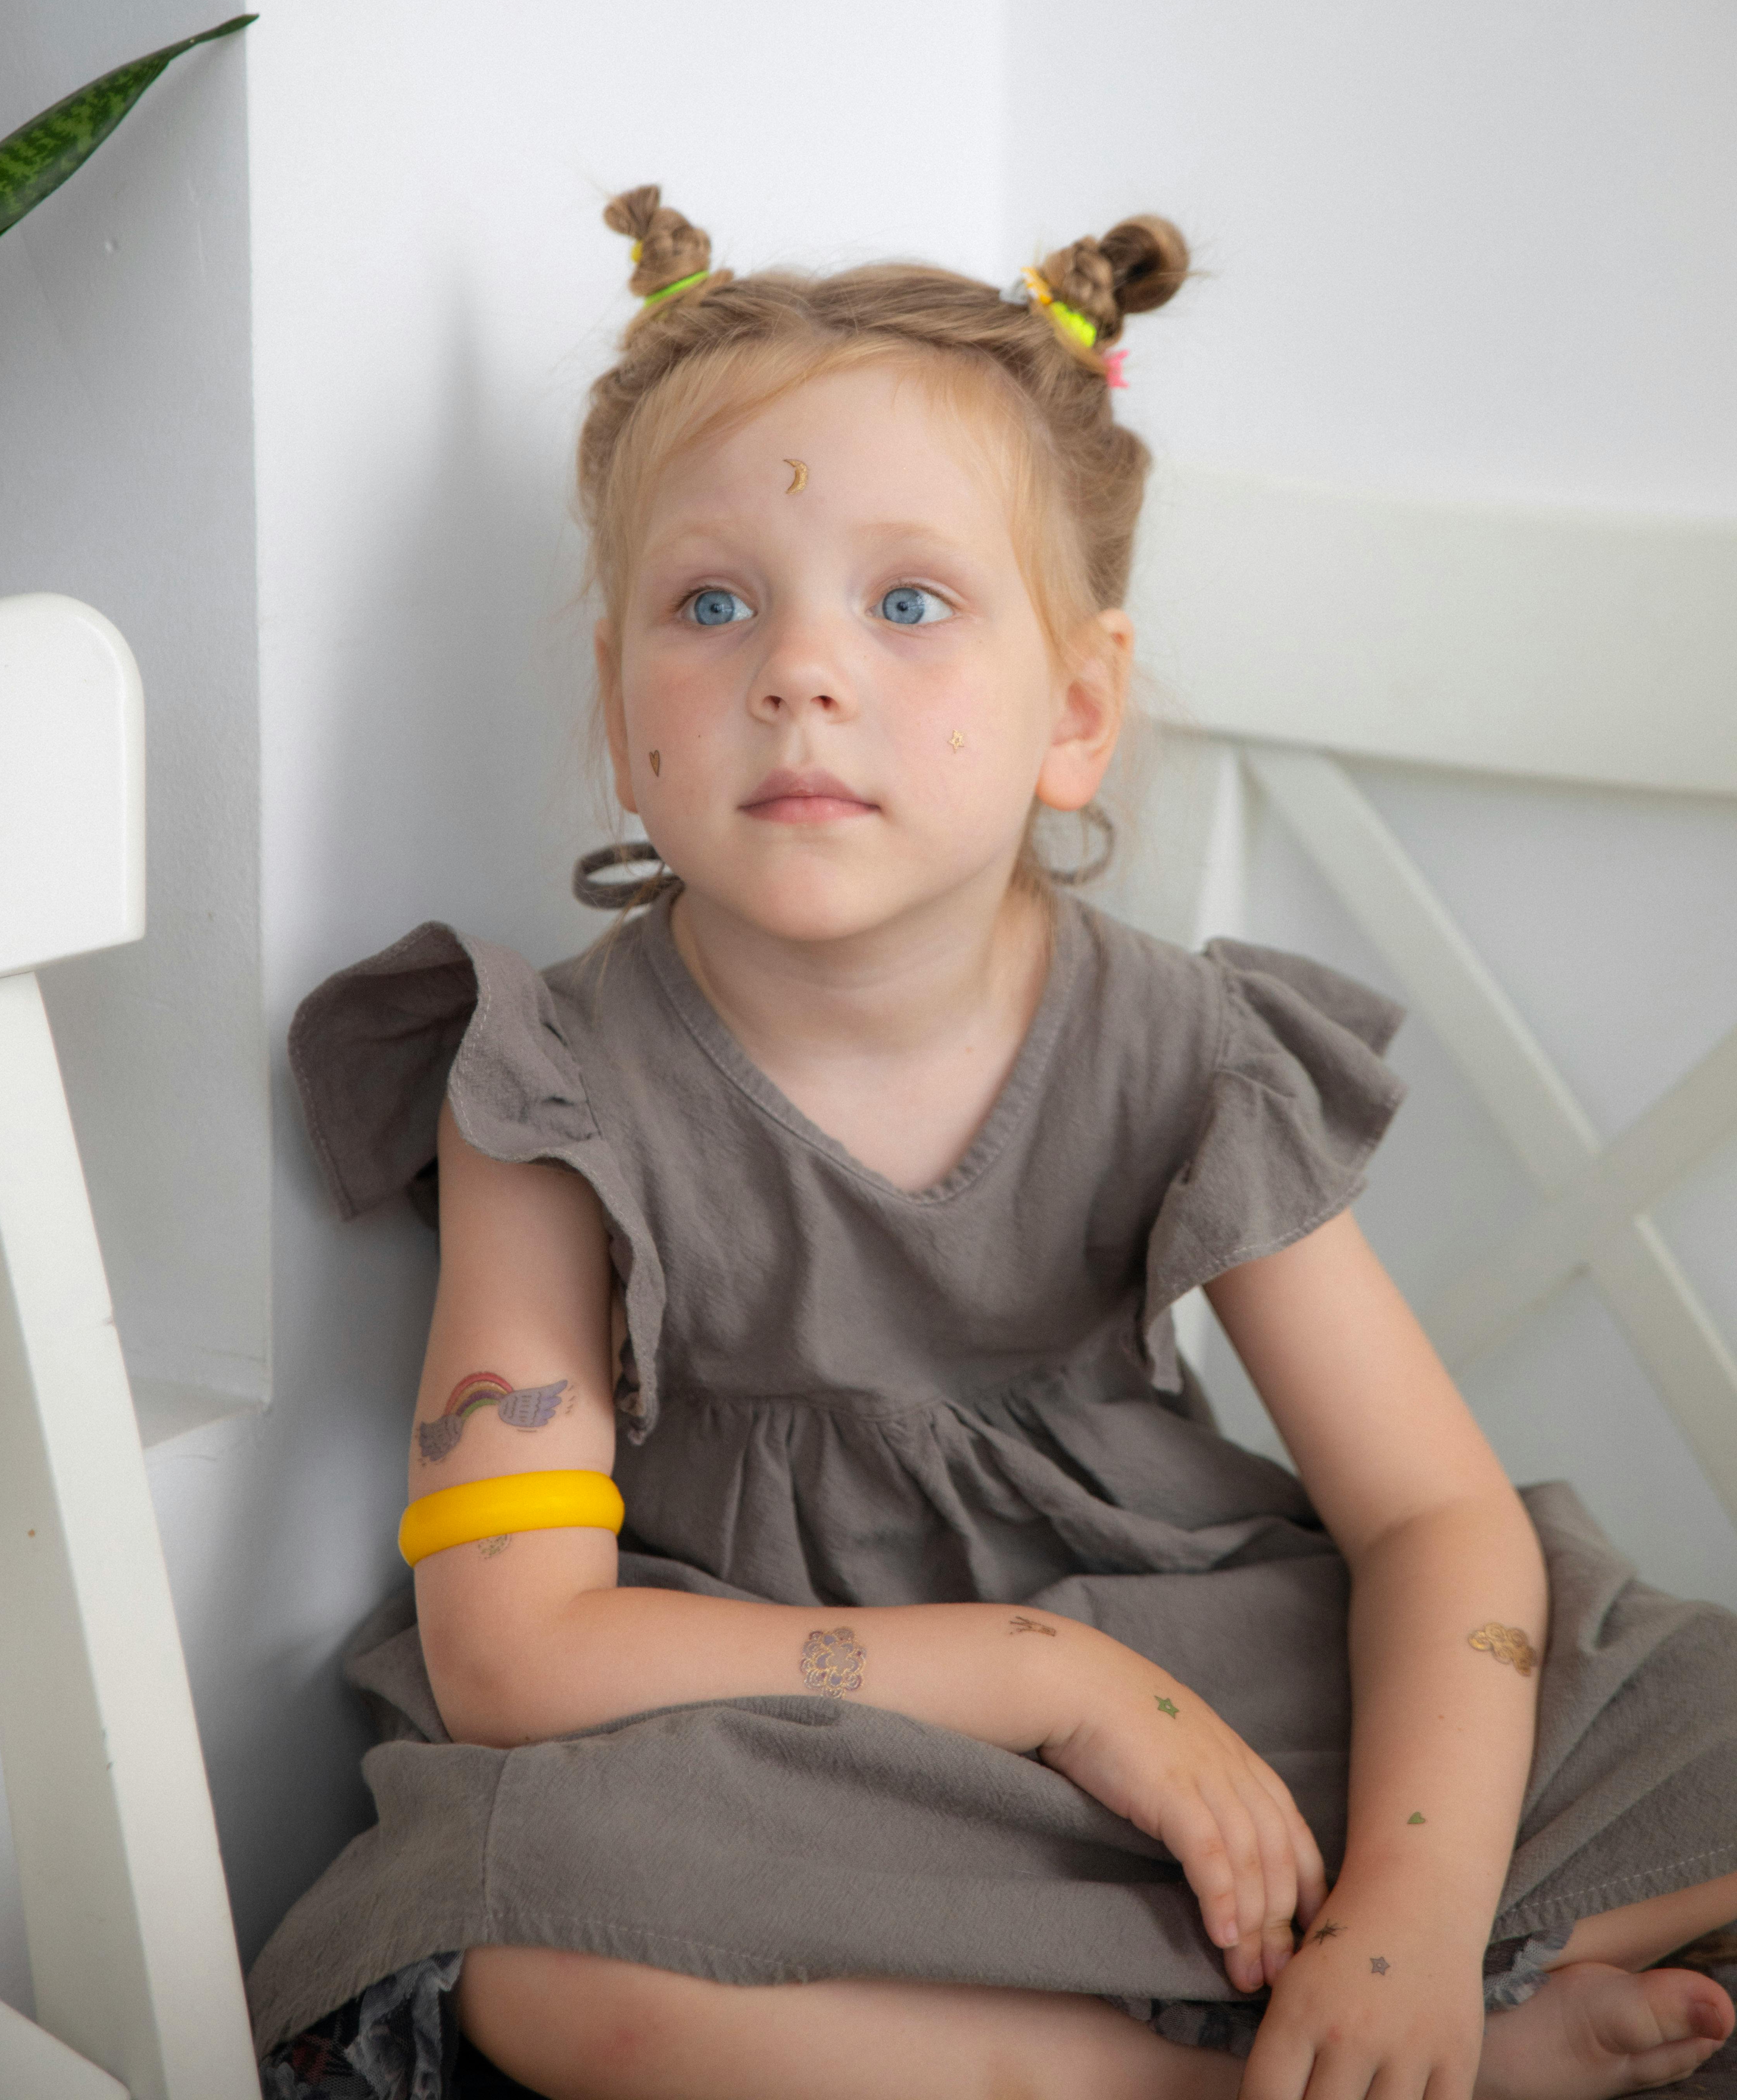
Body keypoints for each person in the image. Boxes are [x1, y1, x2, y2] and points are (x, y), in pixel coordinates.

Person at [252, 190, 1737, 2100]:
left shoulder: (1185, 1049)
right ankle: (1268, 2080)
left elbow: (1429, 1519)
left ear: (1078, 711)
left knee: (1661, 1707)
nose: (799, 670)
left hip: (1209, 1657)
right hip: (790, 1732)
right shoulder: (550, 1091)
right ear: (625, 719)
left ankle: (1400, 2004)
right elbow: (513, 1656)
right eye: (713, 606)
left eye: (908, 602)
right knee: (540, 1940)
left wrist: (1407, 1916)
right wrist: (1050, 1692)